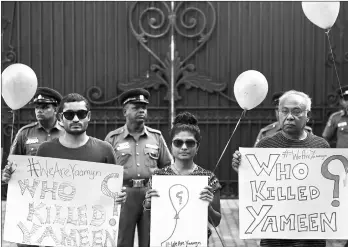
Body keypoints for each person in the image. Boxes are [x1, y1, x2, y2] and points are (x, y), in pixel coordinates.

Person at [2, 93, 127, 245]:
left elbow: (114, 191)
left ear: (89, 116)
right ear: (61, 117)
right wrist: (12, 178)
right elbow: (34, 192)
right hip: (55, 237)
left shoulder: (105, 150)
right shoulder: (45, 150)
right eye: (69, 114)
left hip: (90, 237)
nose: (75, 119)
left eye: (81, 114)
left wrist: (120, 196)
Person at [232, 90, 330, 247]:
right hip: (275, 234)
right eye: (284, 111)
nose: (289, 116)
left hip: (310, 234)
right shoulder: (265, 145)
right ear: (278, 113)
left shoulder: (321, 146)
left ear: (307, 115)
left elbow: (328, 189)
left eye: (296, 111)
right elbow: (256, 185)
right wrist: (243, 170)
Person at [104, 88, 172, 247]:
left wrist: (162, 190)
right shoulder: (113, 138)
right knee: (122, 240)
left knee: (150, 240)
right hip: (124, 196)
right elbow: (104, 171)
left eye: (144, 107)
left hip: (150, 195)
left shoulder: (156, 136)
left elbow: (168, 166)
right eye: (135, 107)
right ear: (125, 112)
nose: (141, 110)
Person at [144, 112, 221, 242]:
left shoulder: (209, 178)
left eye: (190, 143)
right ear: (171, 146)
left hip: (196, 242)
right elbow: (148, 220)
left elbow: (216, 222)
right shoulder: (158, 177)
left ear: (198, 147)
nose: (184, 147)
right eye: (178, 142)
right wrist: (148, 204)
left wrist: (208, 207)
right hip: (166, 241)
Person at [9, 87, 65, 156]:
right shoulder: (24, 133)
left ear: (55, 110)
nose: (39, 111)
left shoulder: (66, 131)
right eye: (37, 107)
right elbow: (14, 162)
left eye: (45, 107)